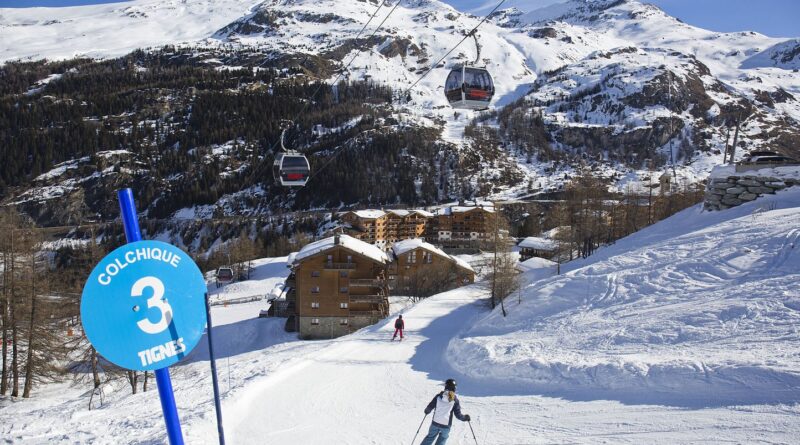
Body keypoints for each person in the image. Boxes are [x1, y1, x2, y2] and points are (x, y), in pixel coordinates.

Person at [420, 379, 470, 445]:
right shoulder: (455, 400)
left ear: (446, 386)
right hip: (446, 426)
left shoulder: (438, 396)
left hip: (435, 422)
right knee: (442, 439)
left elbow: (430, 406)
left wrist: (427, 411)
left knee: (430, 437)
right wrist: (465, 418)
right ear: (454, 388)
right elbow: (458, 415)